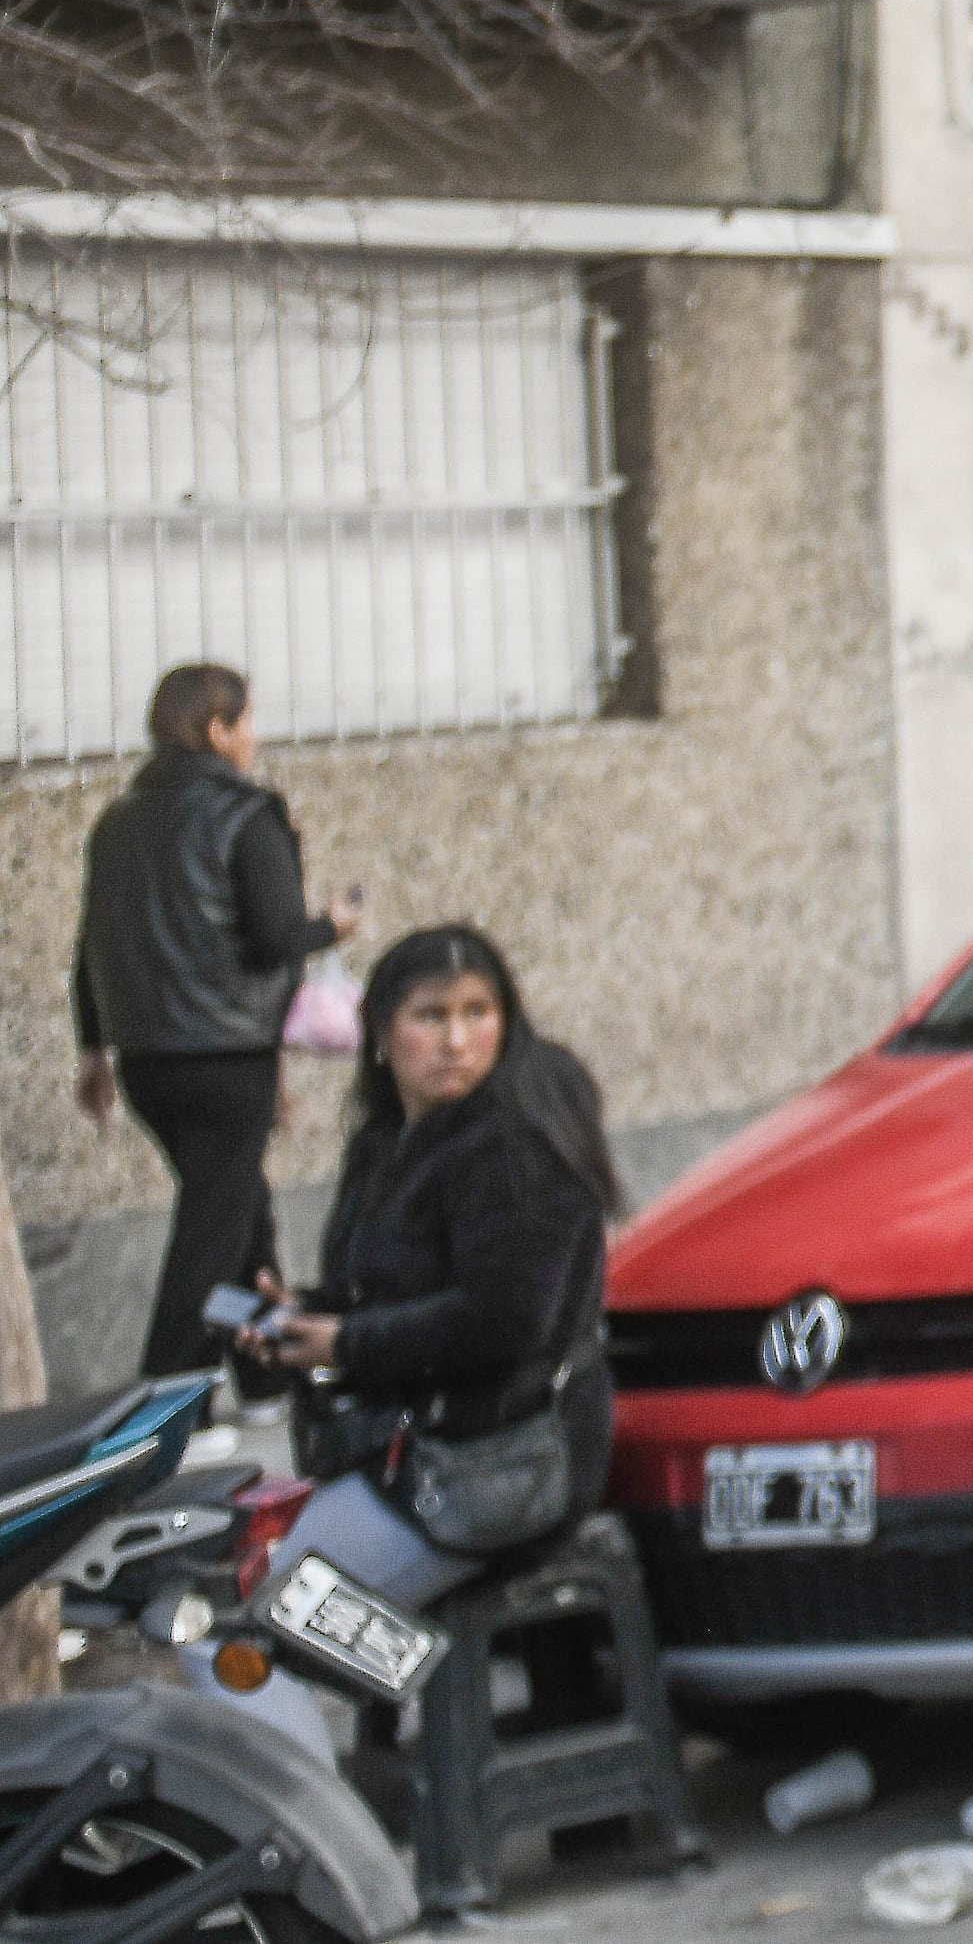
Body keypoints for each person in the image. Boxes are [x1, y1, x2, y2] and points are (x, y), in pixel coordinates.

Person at [205, 926, 616, 1759]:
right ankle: (409, 1693)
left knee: (226, 1635)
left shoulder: (511, 1143)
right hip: (418, 1460)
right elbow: (392, 1303)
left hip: (494, 1466)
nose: (458, 1039)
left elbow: (505, 1321)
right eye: (431, 1015)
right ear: (383, 1032)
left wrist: (349, 1342)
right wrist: (304, 1321)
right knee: (240, 1599)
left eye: (479, 1012)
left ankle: (315, 1849)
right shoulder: (386, 1144)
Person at [74, 663, 360, 1383]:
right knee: (212, 1229)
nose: (254, 737)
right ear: (217, 729)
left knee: (240, 1212)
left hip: (145, 1063)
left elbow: (91, 945)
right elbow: (274, 937)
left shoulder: (117, 822)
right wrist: (334, 923)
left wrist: (91, 1051)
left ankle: (267, 1373)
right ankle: (168, 1397)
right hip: (227, 1059)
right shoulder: (246, 813)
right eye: (247, 721)